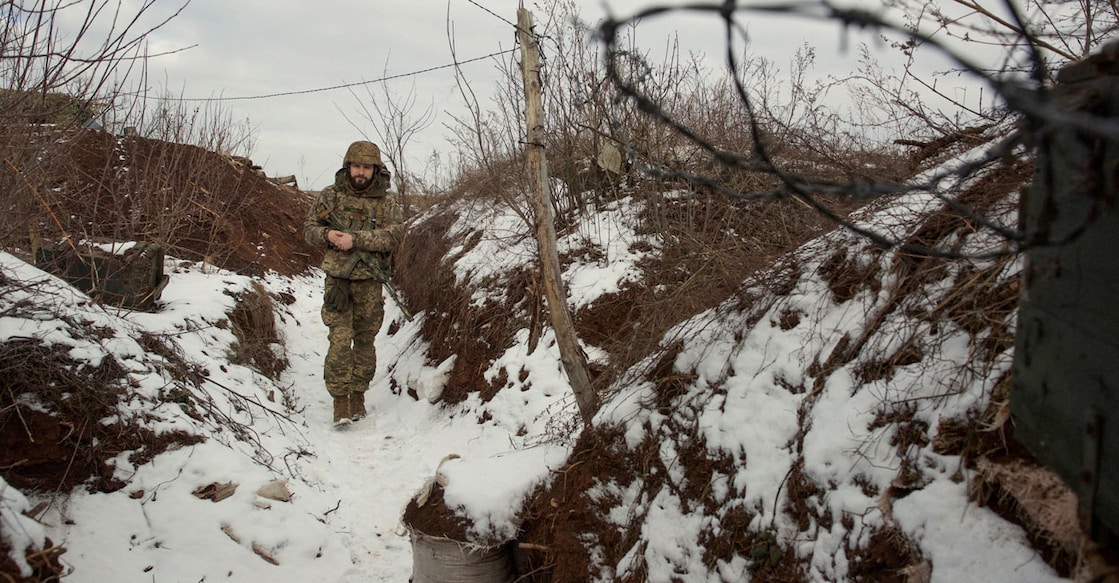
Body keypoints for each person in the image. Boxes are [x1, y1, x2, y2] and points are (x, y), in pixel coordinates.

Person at [303, 140, 404, 426]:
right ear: (348, 166)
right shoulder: (330, 196)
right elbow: (309, 229)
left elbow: (394, 235)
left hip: (370, 282)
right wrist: (329, 237)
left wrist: (356, 240)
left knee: (364, 341)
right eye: (356, 166)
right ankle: (340, 402)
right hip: (338, 281)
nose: (361, 172)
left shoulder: (387, 202)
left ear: (376, 170)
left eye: (366, 167)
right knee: (338, 341)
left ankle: (358, 394)